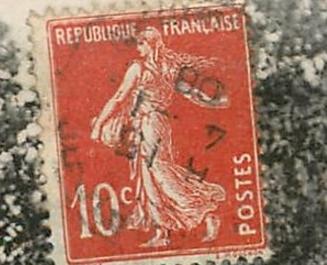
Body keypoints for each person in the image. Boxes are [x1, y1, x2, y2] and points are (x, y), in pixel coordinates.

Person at [90, 26, 227, 249]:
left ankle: (201, 212)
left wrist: (100, 123)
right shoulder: (168, 67)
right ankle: (162, 230)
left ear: (150, 44)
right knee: (154, 175)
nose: (138, 48)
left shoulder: (138, 68)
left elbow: (118, 98)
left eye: (141, 44)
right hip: (160, 124)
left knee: (156, 175)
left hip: (147, 125)